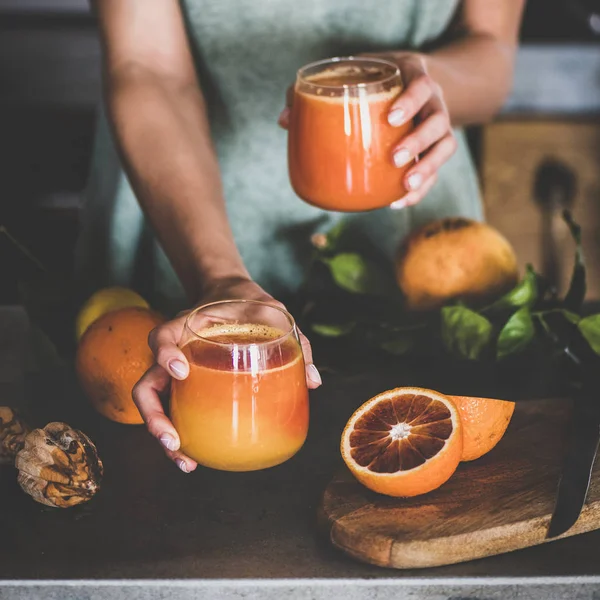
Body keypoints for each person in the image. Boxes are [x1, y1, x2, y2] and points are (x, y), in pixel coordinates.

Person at [78, 0, 525, 473]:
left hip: (414, 237)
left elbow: (491, 51)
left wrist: (426, 79)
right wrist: (218, 278)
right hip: (185, 217)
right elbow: (146, 65)